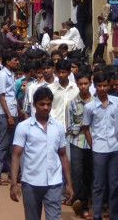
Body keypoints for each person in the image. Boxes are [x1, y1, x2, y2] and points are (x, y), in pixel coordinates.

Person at [10, 87, 74, 220]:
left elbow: (63, 155)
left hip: (54, 183)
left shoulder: (58, 128)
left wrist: (69, 184)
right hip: (31, 183)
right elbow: (16, 156)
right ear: (34, 105)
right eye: (42, 104)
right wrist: (13, 184)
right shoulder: (24, 127)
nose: (45, 107)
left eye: (48, 104)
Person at [82, 73, 118, 220]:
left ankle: (114, 215)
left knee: (114, 184)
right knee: (98, 185)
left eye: (105, 85)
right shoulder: (90, 107)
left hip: (115, 148)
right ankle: (96, 216)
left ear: (109, 86)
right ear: (95, 86)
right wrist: (92, 145)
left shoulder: (116, 102)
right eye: (100, 86)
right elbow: (85, 127)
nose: (103, 88)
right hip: (99, 149)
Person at [66, 72, 93, 219]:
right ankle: (81, 204)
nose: (83, 87)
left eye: (86, 83)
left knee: (89, 174)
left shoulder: (95, 102)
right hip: (76, 142)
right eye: (80, 84)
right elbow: (69, 127)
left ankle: (84, 201)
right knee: (76, 172)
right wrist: (82, 127)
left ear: (90, 83)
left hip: (93, 144)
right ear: (77, 84)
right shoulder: (71, 104)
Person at [0, 51, 19, 185]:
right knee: (2, 145)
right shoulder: (2, 76)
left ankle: (10, 175)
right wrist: (9, 116)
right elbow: (2, 97)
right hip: (5, 114)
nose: (17, 62)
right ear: (8, 62)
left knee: (10, 146)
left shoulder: (11, 74)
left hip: (11, 113)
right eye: (15, 60)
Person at [48, 60, 79, 130]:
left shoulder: (76, 89)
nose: (61, 75)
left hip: (72, 128)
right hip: (54, 126)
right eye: (59, 72)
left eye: (63, 72)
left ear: (69, 73)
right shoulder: (50, 89)